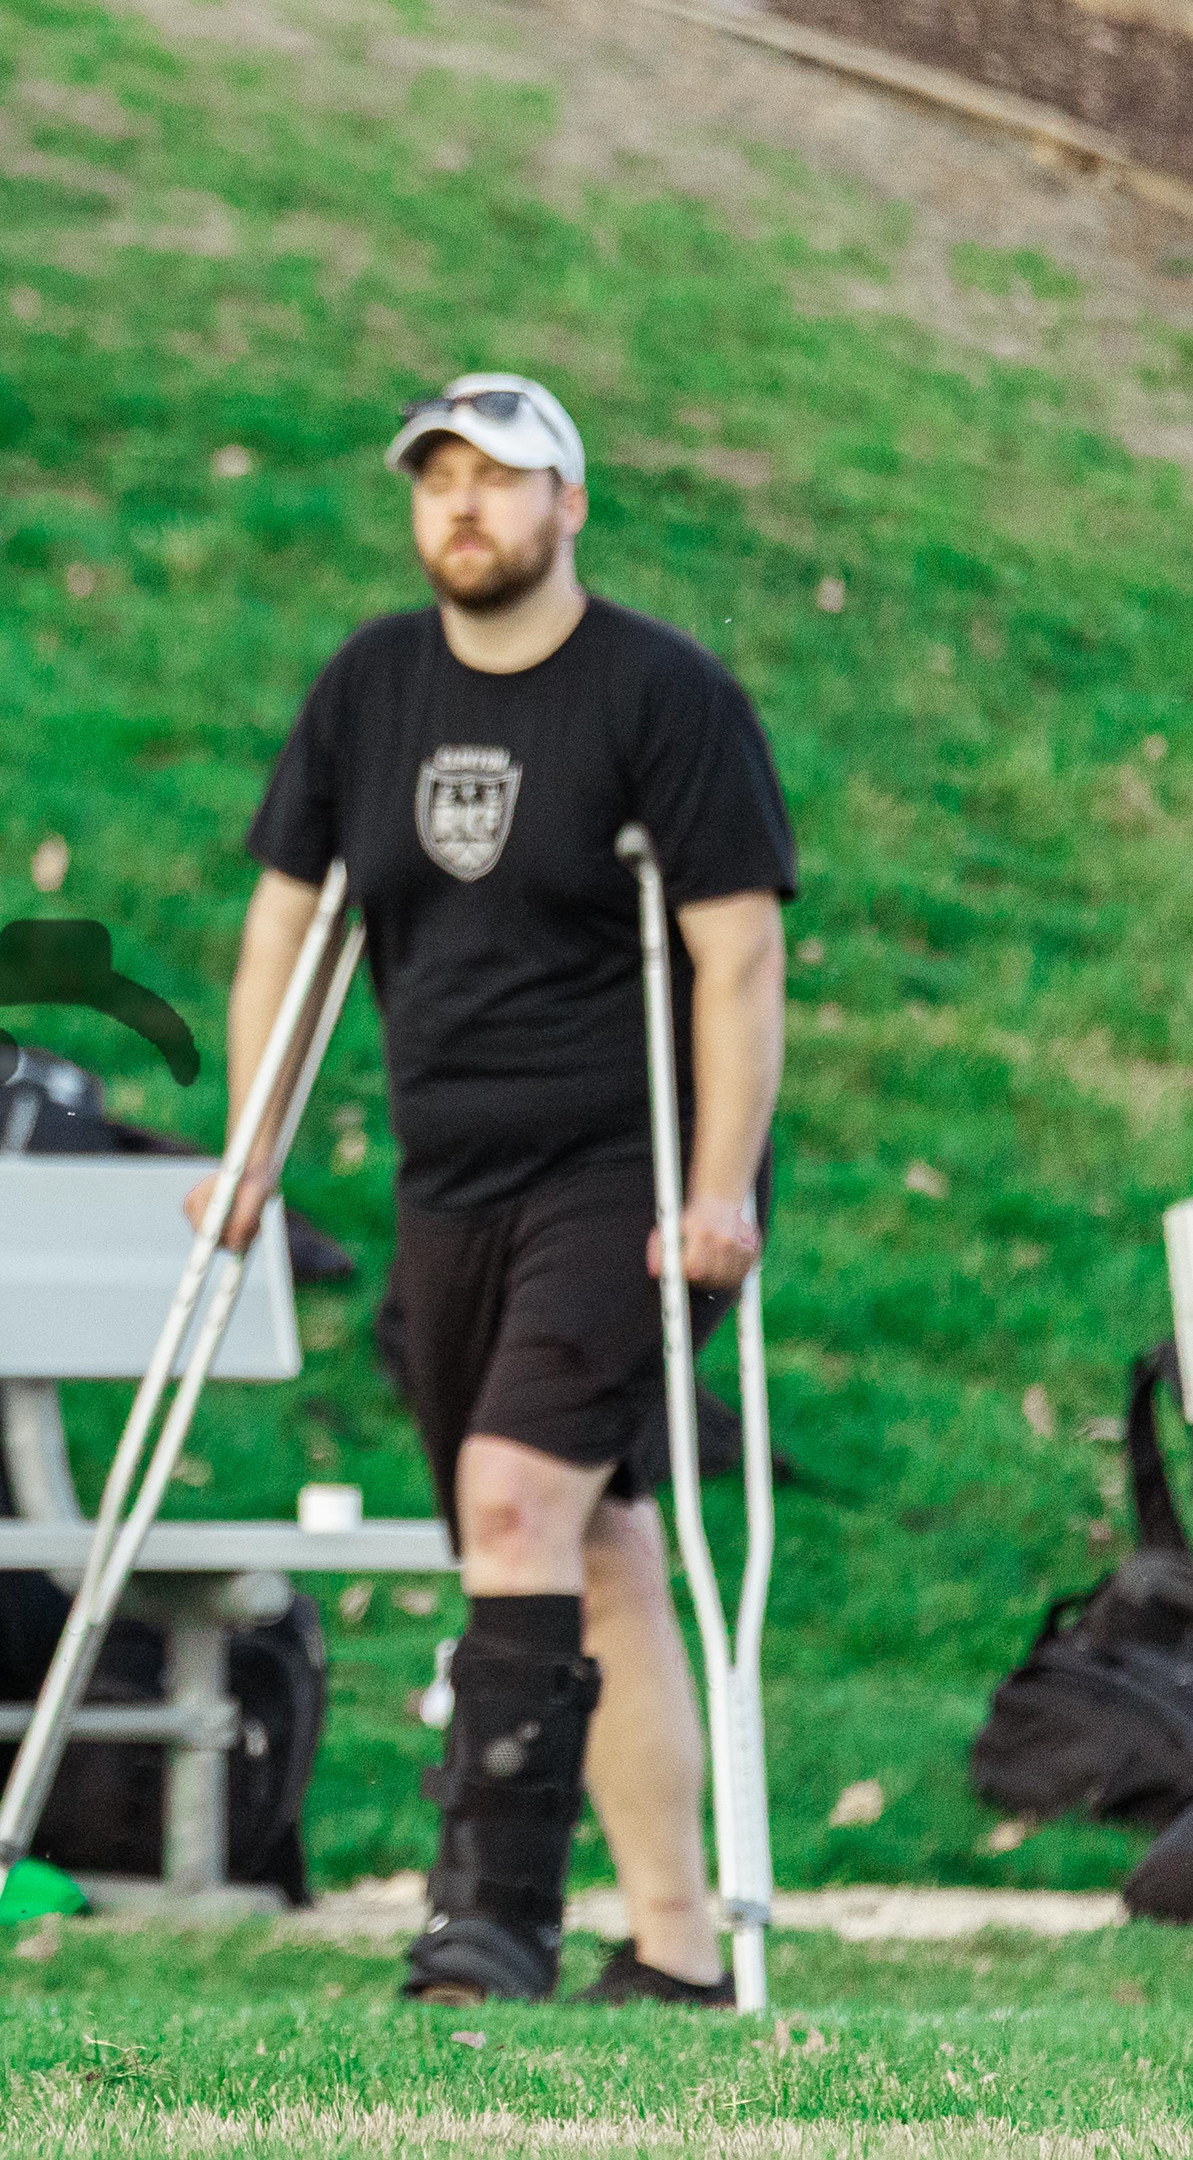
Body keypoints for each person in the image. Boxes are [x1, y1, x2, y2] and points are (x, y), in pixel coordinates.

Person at [198, 373, 794, 2007]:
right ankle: (675, 1946)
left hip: (630, 1175)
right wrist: (251, 1144)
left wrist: (721, 1187)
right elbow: (288, 924)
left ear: (568, 504)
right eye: (437, 477)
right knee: (587, 1536)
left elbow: (738, 956)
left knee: (516, 1497)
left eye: (501, 476)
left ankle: (492, 1916)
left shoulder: (662, 695)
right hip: (449, 1182)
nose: (464, 504)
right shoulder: (372, 686)